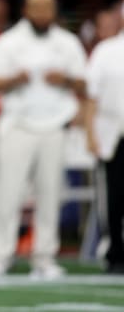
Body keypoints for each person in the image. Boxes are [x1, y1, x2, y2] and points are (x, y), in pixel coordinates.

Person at [0, 0, 87, 279]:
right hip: (18, 125)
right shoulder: (9, 42)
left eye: (47, 6)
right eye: (35, 6)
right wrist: (14, 79)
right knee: (8, 193)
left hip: (54, 125)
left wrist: (65, 79)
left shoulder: (67, 43)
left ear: (54, 10)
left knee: (51, 193)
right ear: (25, 10)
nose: (41, 12)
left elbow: (84, 83)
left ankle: (45, 258)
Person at [84, 14, 124, 274]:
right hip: (112, 134)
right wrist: (90, 133)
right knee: (113, 197)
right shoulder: (107, 51)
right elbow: (91, 96)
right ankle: (114, 253)